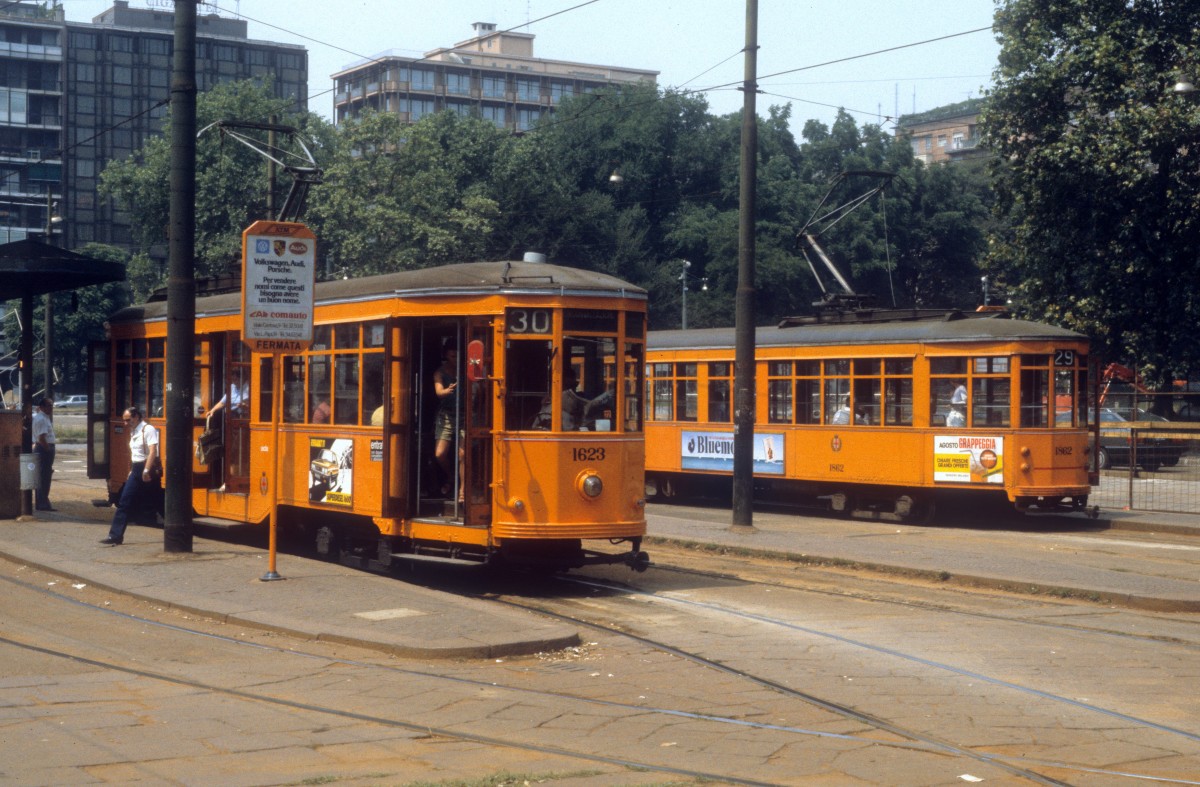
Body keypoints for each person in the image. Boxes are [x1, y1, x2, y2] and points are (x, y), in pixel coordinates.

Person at [100, 407, 160, 546]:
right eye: (124, 421)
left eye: (128, 420)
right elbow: (135, 454)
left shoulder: (148, 429)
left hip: (147, 469)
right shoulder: (134, 431)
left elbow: (153, 451)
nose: (126, 423)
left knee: (156, 500)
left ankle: (178, 530)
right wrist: (132, 470)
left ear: (137, 417)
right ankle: (115, 536)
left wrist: (146, 471)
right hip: (136, 469)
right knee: (124, 501)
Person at [432, 346, 460, 496]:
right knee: (440, 453)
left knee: (463, 454)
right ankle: (452, 477)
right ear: (446, 356)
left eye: (457, 355)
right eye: (451, 355)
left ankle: (462, 489)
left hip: (465, 415)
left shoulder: (466, 370)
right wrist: (447, 391)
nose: (454, 358)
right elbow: (439, 392)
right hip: (446, 416)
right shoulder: (440, 372)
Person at [31, 397, 56, 511]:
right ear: (41, 407)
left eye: (51, 405)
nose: (50, 408)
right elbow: (41, 438)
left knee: (45, 476)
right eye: (48, 405)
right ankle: (42, 504)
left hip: (45, 447)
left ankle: (44, 502)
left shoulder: (44, 417)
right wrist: (48, 449)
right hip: (43, 448)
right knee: (43, 477)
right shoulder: (41, 419)